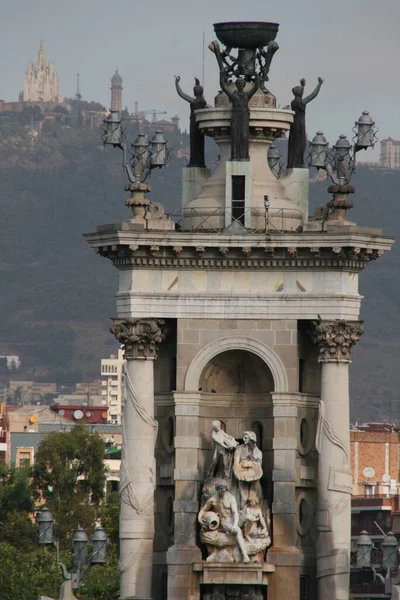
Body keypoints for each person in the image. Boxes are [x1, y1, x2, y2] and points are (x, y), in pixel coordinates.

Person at [198, 479, 250, 563]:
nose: (222, 491)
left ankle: (248, 540)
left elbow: (235, 512)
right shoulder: (213, 500)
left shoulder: (230, 498)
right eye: (220, 489)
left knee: (248, 518)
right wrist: (199, 518)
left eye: (223, 488)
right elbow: (203, 510)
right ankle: (245, 555)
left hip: (234, 519)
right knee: (238, 531)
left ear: (226, 488)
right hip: (225, 521)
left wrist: (235, 524)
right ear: (217, 489)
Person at [219, 74, 259, 161]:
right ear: (236, 85)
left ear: (244, 85)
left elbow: (256, 87)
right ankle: (235, 157)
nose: (240, 84)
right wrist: (221, 74)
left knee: (244, 135)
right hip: (235, 116)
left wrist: (257, 76)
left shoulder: (247, 95)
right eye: (239, 83)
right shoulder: (233, 96)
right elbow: (223, 86)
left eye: (242, 83)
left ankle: (244, 156)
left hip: (244, 116)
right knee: (235, 136)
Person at [287, 77, 323, 169]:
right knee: (301, 143)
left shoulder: (293, 102)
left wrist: (303, 86)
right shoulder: (301, 102)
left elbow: (300, 94)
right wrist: (319, 84)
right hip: (300, 125)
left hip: (294, 124)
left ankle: (293, 162)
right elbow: (313, 95)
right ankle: (299, 162)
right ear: (301, 93)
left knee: (294, 143)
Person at [174, 76, 207, 167]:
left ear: (196, 92)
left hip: (193, 123)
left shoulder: (194, 102)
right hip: (201, 124)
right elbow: (202, 95)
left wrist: (177, 84)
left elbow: (182, 94)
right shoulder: (203, 101)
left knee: (194, 143)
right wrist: (198, 84)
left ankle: (194, 161)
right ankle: (200, 161)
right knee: (200, 143)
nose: (193, 92)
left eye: (194, 91)